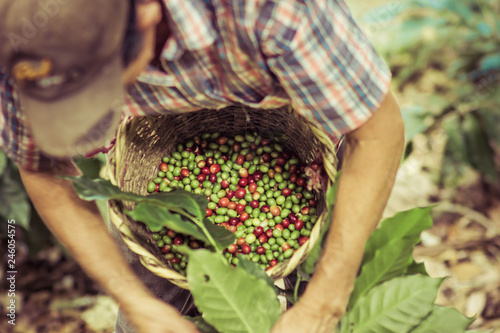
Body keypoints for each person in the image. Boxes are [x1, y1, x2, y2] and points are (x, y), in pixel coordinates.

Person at [0, 0, 405, 332]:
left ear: (144, 15)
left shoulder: (273, 12)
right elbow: (42, 169)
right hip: (166, 177)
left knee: (323, 297)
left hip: (298, 140)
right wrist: (133, 300)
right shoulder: (27, 38)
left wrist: (324, 302)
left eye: (98, 93)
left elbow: (376, 134)